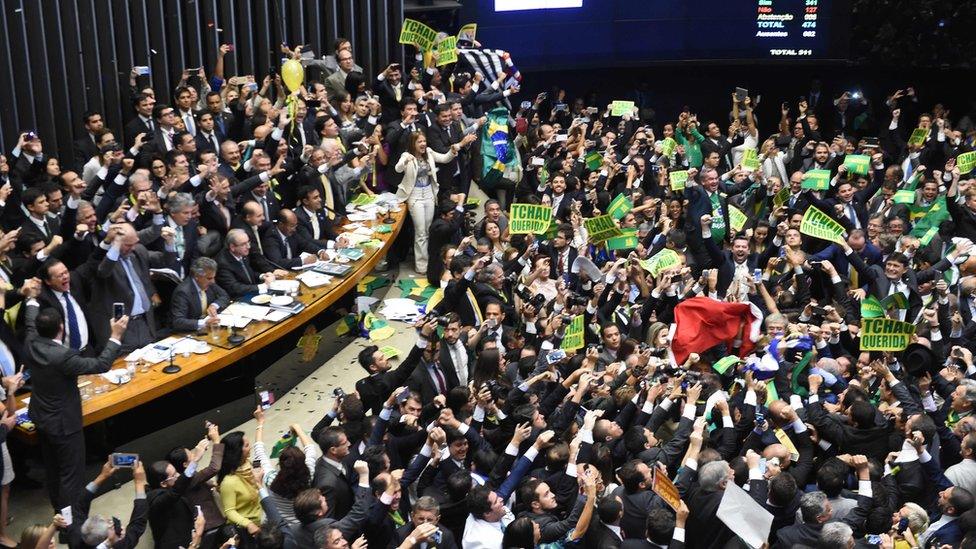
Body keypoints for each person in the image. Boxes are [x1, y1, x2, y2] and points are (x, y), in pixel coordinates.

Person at [23, 293, 128, 510]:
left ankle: (60, 518)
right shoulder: (63, 356)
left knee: (53, 473)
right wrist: (115, 335)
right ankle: (73, 527)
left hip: (42, 418)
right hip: (64, 424)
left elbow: (29, 319)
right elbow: (101, 364)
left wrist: (32, 299)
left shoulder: (31, 341)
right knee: (72, 477)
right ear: (61, 328)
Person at [79, 460, 149, 549]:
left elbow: (80, 504)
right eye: (110, 526)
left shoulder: (75, 536)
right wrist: (139, 482)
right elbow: (138, 524)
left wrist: (102, 476)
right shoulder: (123, 546)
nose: (112, 522)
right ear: (108, 540)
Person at [170, 256, 229, 333]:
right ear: (197, 276)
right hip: (188, 333)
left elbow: (224, 296)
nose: (213, 281)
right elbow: (178, 321)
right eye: (209, 278)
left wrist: (214, 305)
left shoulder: (209, 282)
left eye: (213, 277)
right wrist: (204, 323)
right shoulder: (183, 292)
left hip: (208, 330)